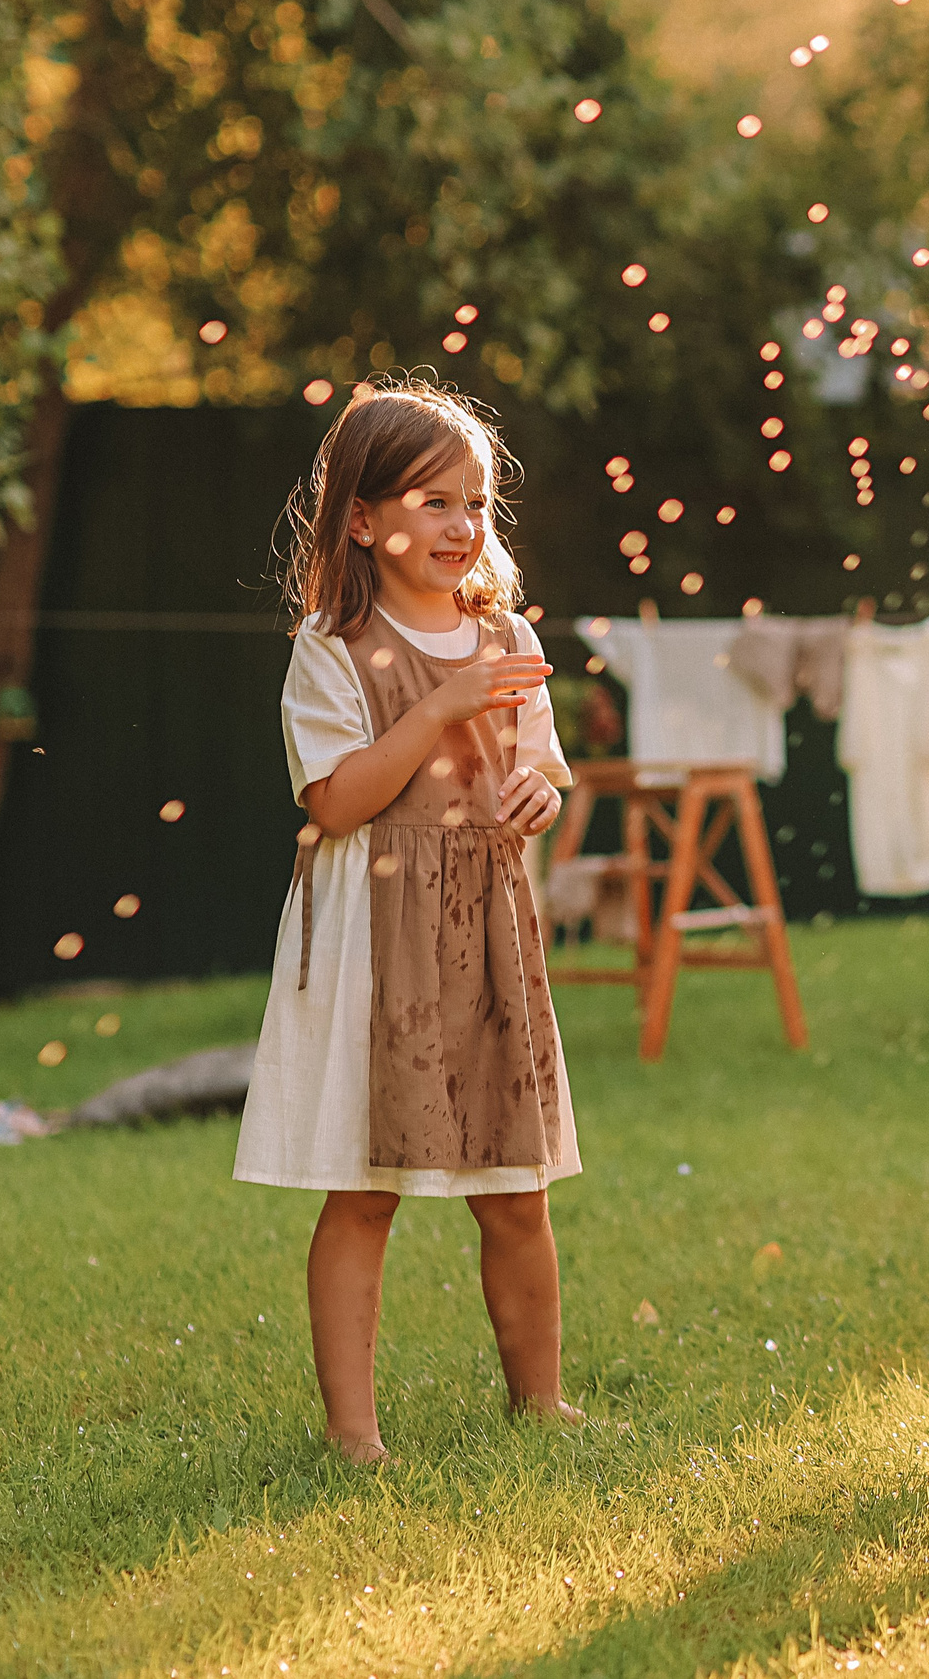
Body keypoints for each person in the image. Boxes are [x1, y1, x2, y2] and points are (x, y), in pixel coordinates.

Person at [235, 377, 581, 1464]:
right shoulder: (331, 646)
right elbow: (334, 800)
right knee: (364, 1190)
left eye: (474, 503)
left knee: (515, 1191)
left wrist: (538, 796)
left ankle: (542, 1404)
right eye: (431, 502)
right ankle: (353, 1434)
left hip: (483, 937)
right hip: (372, 944)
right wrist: (437, 704)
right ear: (361, 520)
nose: (459, 525)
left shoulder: (507, 632)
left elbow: (536, 770)